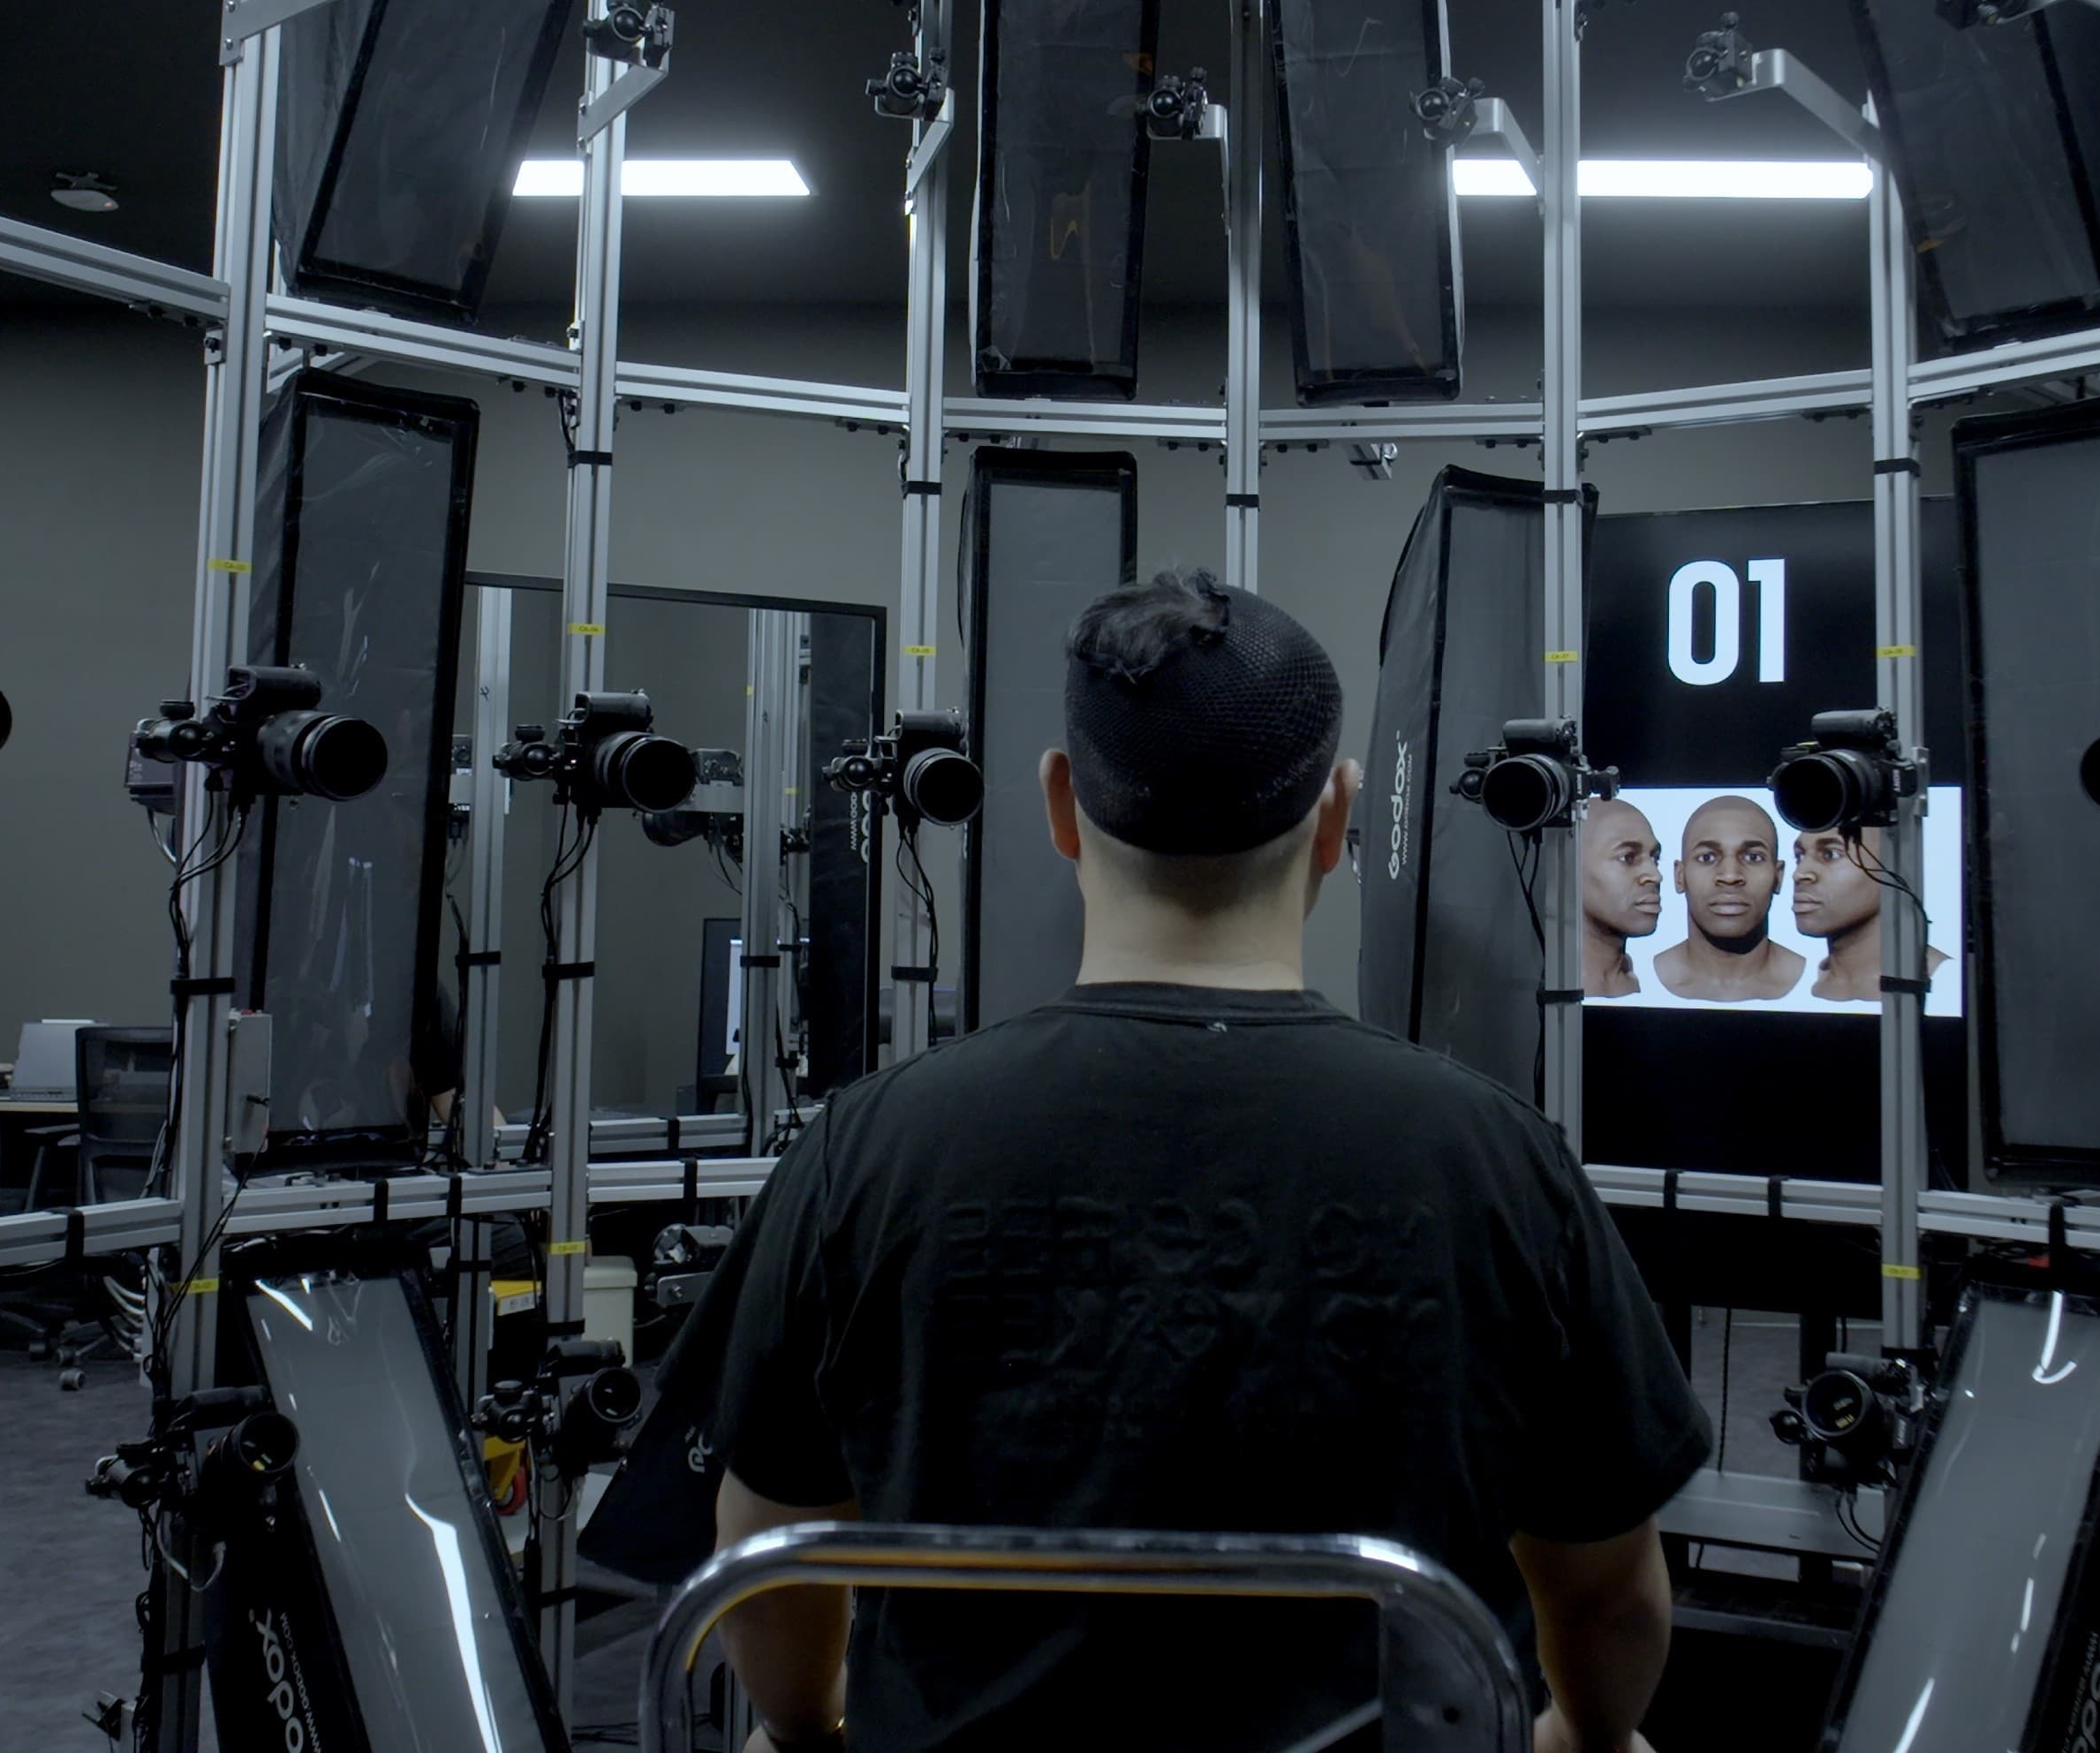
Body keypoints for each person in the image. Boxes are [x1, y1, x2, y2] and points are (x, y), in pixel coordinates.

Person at [698, 570, 1711, 1753]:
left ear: (1061, 804)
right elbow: (1611, 1601)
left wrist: (805, 1728)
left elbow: (765, 1563)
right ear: (1335, 819)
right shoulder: (1499, 1160)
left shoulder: (866, 1148)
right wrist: (1585, 1733)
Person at [1651, 795, 1803, 1002]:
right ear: (1679, 876)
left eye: (1753, 857)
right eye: (1707, 857)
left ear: (1778, 877)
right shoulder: (1644, 977)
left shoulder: (1810, 979)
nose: (1730, 876)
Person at [1788, 825, 1944, 1003]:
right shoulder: (1791, 984)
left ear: (1895, 865)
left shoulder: (1950, 981)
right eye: (1799, 856)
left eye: (1830, 854)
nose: (1799, 874)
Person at [1578, 797, 1662, 998]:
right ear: (1568, 868)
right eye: (1627, 858)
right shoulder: (1568, 986)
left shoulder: (1629, 976)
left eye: (1655, 858)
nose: (1655, 876)